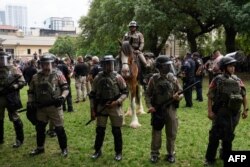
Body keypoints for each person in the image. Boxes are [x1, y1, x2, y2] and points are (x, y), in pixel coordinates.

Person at [204, 56, 248, 166]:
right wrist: (209, 111)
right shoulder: (217, 79)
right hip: (220, 112)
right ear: (224, 67)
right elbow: (210, 95)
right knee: (214, 135)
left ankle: (226, 155)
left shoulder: (238, 80)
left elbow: (244, 95)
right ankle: (210, 159)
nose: (232, 68)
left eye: (233, 66)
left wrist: (245, 110)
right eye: (230, 66)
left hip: (233, 113)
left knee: (228, 136)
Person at [27, 53, 69, 157]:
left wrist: (62, 97)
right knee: (40, 128)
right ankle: (40, 148)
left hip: (54, 107)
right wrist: (30, 102)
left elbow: (65, 89)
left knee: (59, 129)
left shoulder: (58, 75)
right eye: (43, 64)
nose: (46, 66)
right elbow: (31, 91)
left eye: (48, 64)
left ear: (52, 64)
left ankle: (64, 149)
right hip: (41, 108)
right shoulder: (35, 77)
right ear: (40, 65)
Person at [89, 55, 128, 161]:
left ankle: (118, 152)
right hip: (102, 106)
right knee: (100, 130)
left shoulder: (118, 77)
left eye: (111, 63)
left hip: (114, 106)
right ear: (103, 65)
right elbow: (92, 95)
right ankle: (97, 150)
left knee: (116, 131)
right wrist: (92, 110)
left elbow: (125, 92)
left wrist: (117, 102)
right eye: (107, 64)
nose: (109, 66)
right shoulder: (98, 78)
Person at [145, 55, 183, 163]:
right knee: (156, 133)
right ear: (160, 67)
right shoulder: (154, 79)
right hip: (157, 110)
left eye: (168, 65)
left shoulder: (173, 78)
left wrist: (177, 97)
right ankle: (154, 154)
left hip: (171, 109)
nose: (168, 67)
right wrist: (150, 106)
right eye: (166, 66)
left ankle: (171, 153)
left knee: (171, 132)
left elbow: (180, 92)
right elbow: (147, 94)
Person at [0, 50, 25, 148]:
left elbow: (22, 82)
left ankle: (19, 139)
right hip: (0, 98)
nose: (1, 61)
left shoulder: (14, 69)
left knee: (15, 118)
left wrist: (13, 87)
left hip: (11, 97)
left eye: (2, 59)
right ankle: (0, 138)